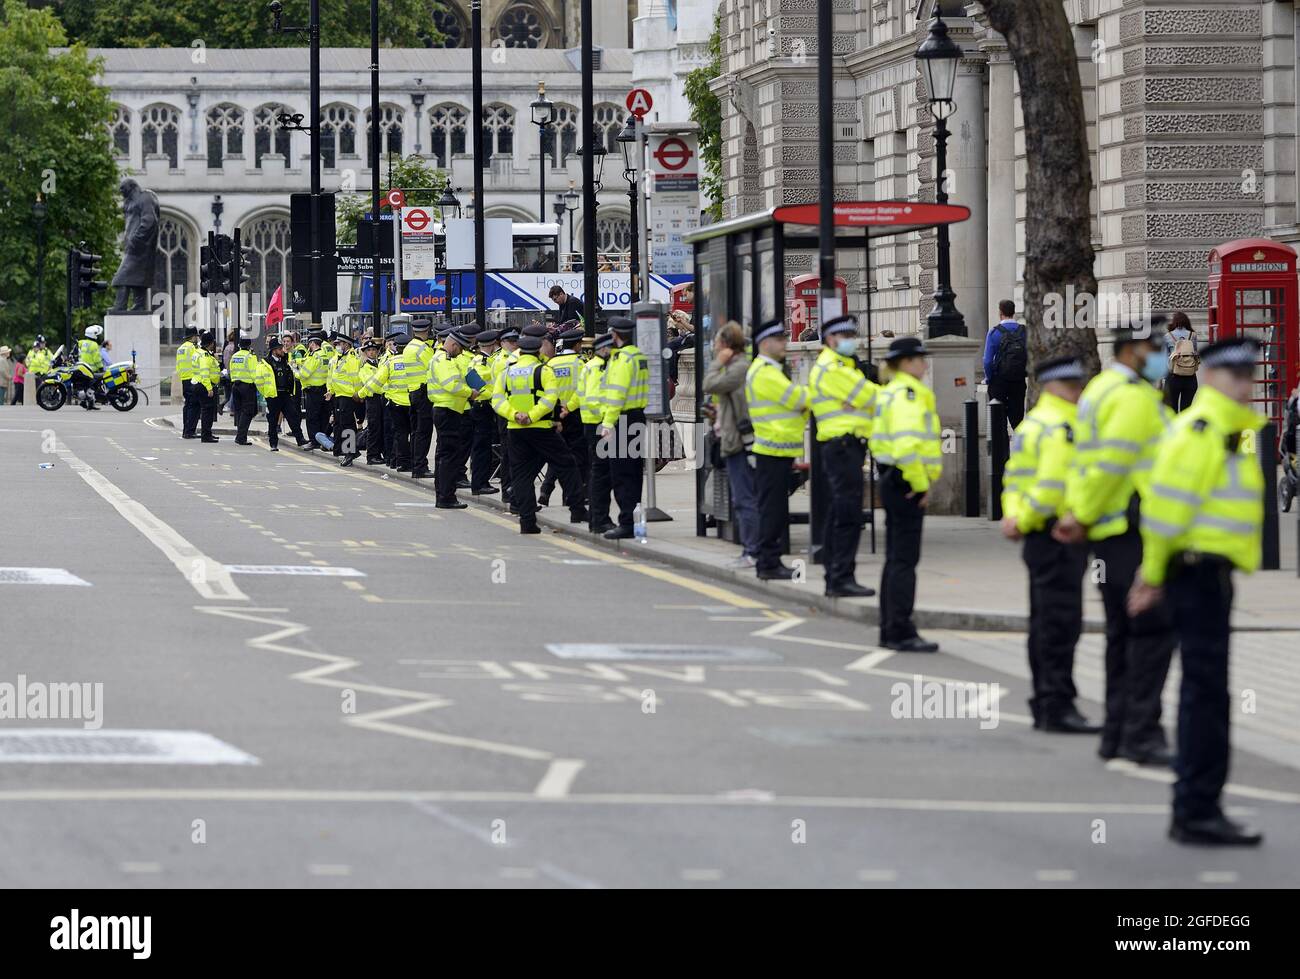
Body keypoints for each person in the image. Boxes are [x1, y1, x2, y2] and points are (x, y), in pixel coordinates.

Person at [1129, 337, 1266, 847]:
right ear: (1207, 377)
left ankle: (1200, 805)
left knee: (1208, 693)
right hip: (1194, 574)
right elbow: (1167, 510)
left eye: (1248, 377)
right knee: (1205, 695)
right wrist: (1153, 575)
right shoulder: (1201, 431)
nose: (1244, 386)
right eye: (1234, 376)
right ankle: (1196, 809)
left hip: (1213, 573)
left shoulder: (1233, 432)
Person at [1056, 319, 1175, 766]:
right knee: (1149, 633)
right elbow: (1113, 463)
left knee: (1121, 635)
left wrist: (1082, 515)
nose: (1162, 354)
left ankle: (1118, 732)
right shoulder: (1130, 398)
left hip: (1110, 532)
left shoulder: (1102, 389)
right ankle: (1141, 734)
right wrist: (1081, 515)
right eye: (1155, 346)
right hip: (1131, 528)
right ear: (1132, 351)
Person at [1000, 355, 1098, 733]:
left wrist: (1013, 517)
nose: (1078, 391)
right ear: (1054, 387)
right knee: (1061, 624)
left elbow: (1014, 478)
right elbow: (1052, 487)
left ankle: (1044, 701)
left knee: (1043, 621)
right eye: (1073, 386)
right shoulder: (1064, 427)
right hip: (1058, 533)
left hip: (1036, 535)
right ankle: (1058, 704)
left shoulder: (1032, 423)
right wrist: (1027, 519)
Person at [870, 336, 942, 652]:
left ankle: (890, 627)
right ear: (907, 362)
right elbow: (907, 444)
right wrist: (920, 484)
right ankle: (901, 629)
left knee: (895, 559)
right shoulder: (908, 395)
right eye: (920, 359)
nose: (925, 365)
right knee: (904, 560)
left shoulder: (890, 392)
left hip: (892, 478)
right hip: (905, 481)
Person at [808, 315, 879, 598]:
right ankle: (840, 576)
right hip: (842, 447)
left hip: (845, 446)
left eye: (852, 334)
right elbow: (872, 396)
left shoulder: (843, 365)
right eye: (844, 335)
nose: (851, 339)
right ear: (830, 339)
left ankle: (835, 574)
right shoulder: (833, 368)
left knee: (840, 512)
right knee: (847, 514)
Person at [492, 325, 585, 533]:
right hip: (542, 427)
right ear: (537, 350)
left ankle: (527, 522)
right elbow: (551, 397)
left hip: (515, 429)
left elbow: (497, 400)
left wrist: (516, 415)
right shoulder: (543, 371)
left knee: (522, 476)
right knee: (567, 464)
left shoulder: (507, 372)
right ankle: (577, 509)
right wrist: (533, 415)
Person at [746, 319, 809, 580]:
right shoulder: (765, 372)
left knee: (775, 508)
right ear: (764, 343)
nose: (785, 343)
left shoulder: (766, 369)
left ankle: (769, 561)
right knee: (773, 510)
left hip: (776, 450)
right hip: (773, 450)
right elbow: (799, 399)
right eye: (779, 340)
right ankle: (768, 563)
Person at [702, 322, 759, 569]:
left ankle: (752, 551)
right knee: (741, 498)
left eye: (717, 344)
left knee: (745, 499)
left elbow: (709, 384)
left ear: (726, 346)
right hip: (732, 439)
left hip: (740, 443)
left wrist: (718, 362)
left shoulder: (738, 368)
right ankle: (751, 549)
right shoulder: (738, 368)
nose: (714, 348)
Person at [598, 317, 650, 539]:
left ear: (615, 335)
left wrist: (608, 423)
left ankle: (627, 522)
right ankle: (634, 519)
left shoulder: (621, 359)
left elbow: (616, 395)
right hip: (637, 417)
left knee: (621, 474)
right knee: (634, 472)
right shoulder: (638, 355)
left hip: (622, 419)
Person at [538, 323, 587, 509]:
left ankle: (546, 489)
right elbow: (583, 390)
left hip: (554, 413)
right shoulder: (581, 363)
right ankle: (572, 495)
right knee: (578, 457)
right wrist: (570, 407)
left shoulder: (551, 363)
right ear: (577, 345)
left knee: (557, 454)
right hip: (574, 414)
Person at [429, 327, 474, 509]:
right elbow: (451, 385)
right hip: (448, 410)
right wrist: (470, 392)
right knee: (449, 456)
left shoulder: (440, 358)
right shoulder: (444, 359)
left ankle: (443, 494)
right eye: (460, 348)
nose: (461, 352)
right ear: (453, 345)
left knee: (443, 455)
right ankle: (446, 496)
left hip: (444, 410)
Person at [580, 333, 616, 534]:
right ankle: (600, 518)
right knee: (602, 475)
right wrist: (606, 422)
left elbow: (580, 394)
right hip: (599, 426)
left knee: (598, 473)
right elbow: (594, 399)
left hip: (593, 425)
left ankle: (597, 517)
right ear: (603, 349)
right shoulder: (598, 368)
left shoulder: (589, 365)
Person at [984, 299, 1028, 430]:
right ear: (1013, 312)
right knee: (1018, 420)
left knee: (998, 420)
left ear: (1000, 312)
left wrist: (989, 378)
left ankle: (1001, 449)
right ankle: (1020, 447)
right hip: (1018, 380)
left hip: (999, 381)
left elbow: (987, 361)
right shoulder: (1023, 331)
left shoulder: (994, 333)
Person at [468, 329, 502, 494]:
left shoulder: (476, 359)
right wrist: (494, 396)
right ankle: (480, 483)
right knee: (482, 447)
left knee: (480, 446)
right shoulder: (482, 361)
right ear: (492, 344)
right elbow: (476, 382)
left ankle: (480, 481)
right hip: (483, 406)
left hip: (479, 407)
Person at [405, 316, 437, 480]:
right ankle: (420, 466)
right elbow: (432, 366)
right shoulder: (423, 349)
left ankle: (415, 464)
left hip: (412, 391)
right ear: (426, 331)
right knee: (424, 431)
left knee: (416, 431)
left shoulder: (409, 347)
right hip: (424, 393)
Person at [326, 332, 362, 466]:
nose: (337, 346)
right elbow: (335, 378)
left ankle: (350, 453)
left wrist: (358, 394)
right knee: (340, 424)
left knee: (347, 425)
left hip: (348, 396)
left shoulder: (351, 358)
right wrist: (331, 391)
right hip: (339, 396)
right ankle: (347, 451)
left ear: (346, 344)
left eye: (339, 344)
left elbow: (355, 378)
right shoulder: (340, 358)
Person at [265, 336, 307, 451]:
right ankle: (273, 443)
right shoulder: (266, 362)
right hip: (274, 395)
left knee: (293, 417)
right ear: (274, 350)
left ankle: (300, 439)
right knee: (273, 420)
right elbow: (260, 381)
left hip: (286, 394)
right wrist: (267, 393)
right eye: (279, 349)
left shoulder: (285, 360)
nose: (282, 350)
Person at [357, 336, 387, 465]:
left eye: (374, 350)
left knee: (381, 427)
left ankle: (379, 452)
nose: (372, 352)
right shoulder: (365, 367)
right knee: (373, 427)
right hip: (372, 398)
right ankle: (372, 455)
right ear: (365, 352)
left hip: (380, 398)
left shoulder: (380, 363)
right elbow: (371, 383)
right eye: (369, 350)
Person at [1163, 311, 1200, 413]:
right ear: (1187, 322)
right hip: (1190, 377)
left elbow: (1165, 358)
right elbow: (1195, 353)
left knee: (1171, 410)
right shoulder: (1193, 335)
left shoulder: (1167, 336)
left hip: (1173, 377)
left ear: (1174, 322)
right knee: (1186, 411)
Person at [298, 332, 329, 449]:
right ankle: (323, 441)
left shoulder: (314, 356)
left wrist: (296, 371)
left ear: (312, 344)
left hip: (313, 391)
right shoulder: (324, 355)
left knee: (312, 417)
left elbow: (304, 374)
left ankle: (314, 441)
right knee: (323, 416)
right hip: (323, 389)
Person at [228, 334, 261, 446]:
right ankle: (241, 437)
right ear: (249, 345)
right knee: (247, 412)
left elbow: (231, 370)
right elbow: (254, 372)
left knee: (240, 412)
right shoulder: (250, 356)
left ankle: (240, 434)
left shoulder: (235, 356)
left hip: (236, 386)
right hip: (247, 386)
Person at [193, 332, 221, 443]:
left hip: (199, 384)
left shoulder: (199, 352)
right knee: (207, 411)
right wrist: (209, 388)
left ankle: (208, 433)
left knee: (207, 411)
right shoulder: (204, 355)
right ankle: (206, 435)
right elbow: (204, 372)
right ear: (211, 343)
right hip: (205, 385)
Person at [176, 326, 201, 438]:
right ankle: (190, 431)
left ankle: (186, 429)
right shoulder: (193, 348)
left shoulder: (180, 349)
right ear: (193, 336)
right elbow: (198, 362)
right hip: (193, 380)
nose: (197, 338)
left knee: (187, 405)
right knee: (194, 406)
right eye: (196, 336)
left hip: (184, 379)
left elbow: (178, 367)